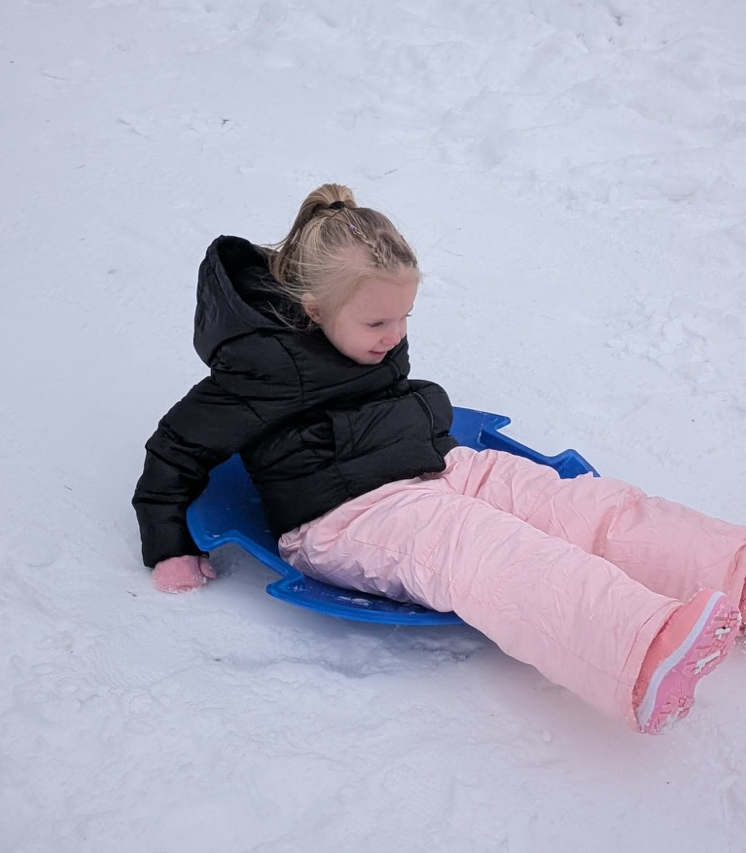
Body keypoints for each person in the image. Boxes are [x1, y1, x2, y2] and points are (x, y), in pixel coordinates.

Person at [133, 183, 746, 735]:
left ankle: (733, 573)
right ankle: (642, 654)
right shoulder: (258, 368)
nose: (394, 334)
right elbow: (175, 450)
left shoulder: (364, 327)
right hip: (346, 516)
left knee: (581, 505)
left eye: (405, 317)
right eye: (378, 320)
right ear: (314, 310)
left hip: (436, 461)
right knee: (488, 549)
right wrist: (168, 547)